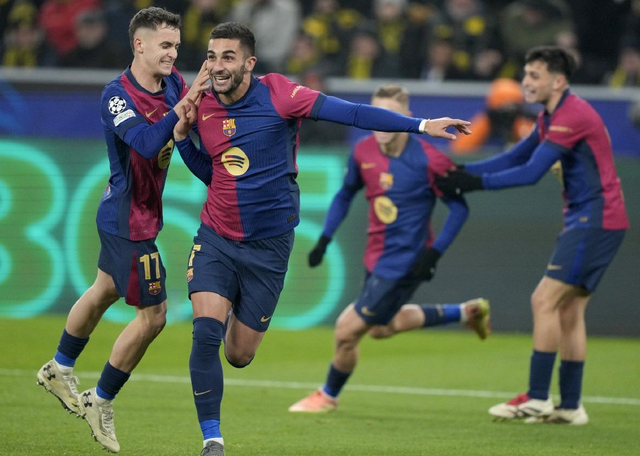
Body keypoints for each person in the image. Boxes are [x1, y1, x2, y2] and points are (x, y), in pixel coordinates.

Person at [171, 21, 472, 456]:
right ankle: (212, 440)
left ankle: (233, 303)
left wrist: (422, 125)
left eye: (228, 57)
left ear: (249, 64)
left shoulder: (280, 94)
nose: (218, 66)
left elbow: (354, 113)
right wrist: (183, 139)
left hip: (269, 247)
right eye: (212, 57)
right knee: (205, 334)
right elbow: (214, 173)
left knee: (238, 355)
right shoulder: (201, 106)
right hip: (216, 236)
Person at [36, 6, 210, 453]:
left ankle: (59, 367)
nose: (173, 54)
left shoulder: (173, 83)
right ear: (139, 44)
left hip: (138, 214)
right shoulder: (117, 95)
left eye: (176, 46)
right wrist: (184, 108)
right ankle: (101, 398)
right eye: (165, 45)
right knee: (154, 317)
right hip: (127, 221)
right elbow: (149, 143)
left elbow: (188, 124)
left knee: (103, 291)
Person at [435, 46, 629, 425]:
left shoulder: (571, 116)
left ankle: (538, 397)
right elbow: (513, 157)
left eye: (535, 75)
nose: (526, 81)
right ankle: (570, 407)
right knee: (569, 311)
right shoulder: (550, 116)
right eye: (526, 73)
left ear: (558, 81)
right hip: (596, 219)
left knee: (544, 299)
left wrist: (473, 184)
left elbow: (530, 173)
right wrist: (463, 172)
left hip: (595, 219)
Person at [287, 84, 491, 415]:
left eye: (390, 116)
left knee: (346, 330)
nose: (381, 124)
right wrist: (325, 238)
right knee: (382, 327)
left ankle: (327, 395)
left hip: (405, 262)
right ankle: (466, 312)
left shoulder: (429, 158)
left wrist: (433, 254)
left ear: (407, 117)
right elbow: (345, 193)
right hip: (376, 256)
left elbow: (459, 208)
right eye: (376, 114)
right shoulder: (363, 150)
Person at [450, 77, 536, 155]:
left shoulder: (523, 122)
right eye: (504, 108)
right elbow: (459, 150)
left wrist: (517, 127)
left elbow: (534, 146)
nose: (508, 113)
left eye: (513, 107)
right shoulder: (486, 121)